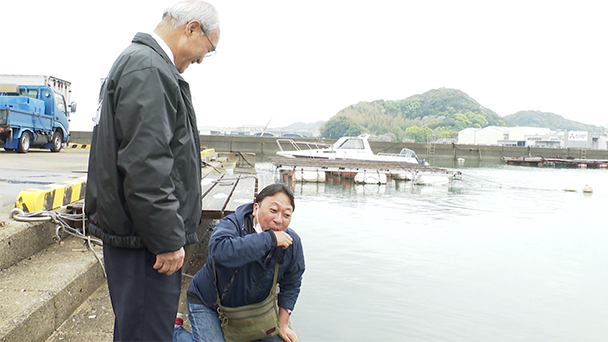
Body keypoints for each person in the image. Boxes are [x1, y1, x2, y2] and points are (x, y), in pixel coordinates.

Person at [84, 1, 220, 340]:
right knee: (147, 333)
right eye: (209, 49)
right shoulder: (148, 69)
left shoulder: (142, 65)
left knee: (136, 329)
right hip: (146, 244)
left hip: (139, 236)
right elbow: (146, 165)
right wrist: (167, 240)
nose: (202, 59)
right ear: (191, 28)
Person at [174, 184, 305, 342]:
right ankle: (175, 332)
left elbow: (292, 283)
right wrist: (269, 239)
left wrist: (283, 324)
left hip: (253, 311)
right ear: (256, 208)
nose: (278, 220)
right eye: (273, 211)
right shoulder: (233, 225)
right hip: (209, 303)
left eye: (286, 215)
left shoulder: (292, 243)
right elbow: (219, 252)